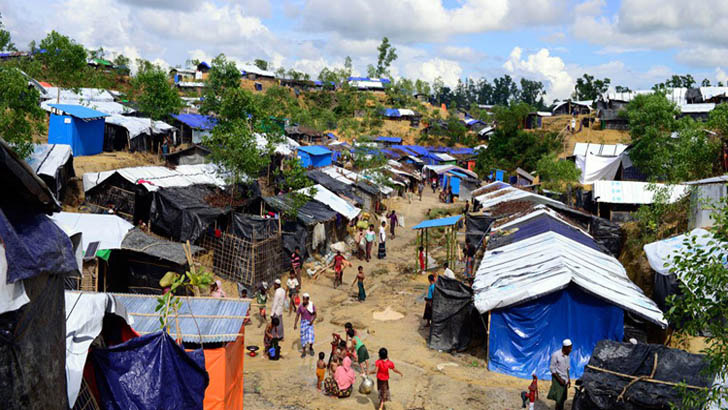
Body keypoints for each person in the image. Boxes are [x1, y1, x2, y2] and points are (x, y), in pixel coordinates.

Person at [548, 339, 572, 410]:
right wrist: (560, 380)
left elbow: (567, 369)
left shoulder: (567, 356)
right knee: (558, 399)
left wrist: (569, 379)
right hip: (558, 379)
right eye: (569, 348)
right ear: (565, 347)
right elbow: (552, 369)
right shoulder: (556, 355)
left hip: (565, 380)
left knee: (563, 398)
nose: (571, 350)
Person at [294, 293, 317, 358]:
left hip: (309, 323)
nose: (303, 300)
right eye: (303, 299)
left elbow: (315, 314)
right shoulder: (300, 307)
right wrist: (295, 324)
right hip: (303, 323)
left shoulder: (311, 305)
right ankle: (304, 351)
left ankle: (311, 348)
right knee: (303, 338)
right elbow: (297, 315)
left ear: (308, 299)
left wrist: (312, 321)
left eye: (305, 299)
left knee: (310, 337)